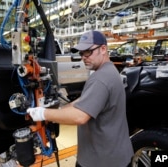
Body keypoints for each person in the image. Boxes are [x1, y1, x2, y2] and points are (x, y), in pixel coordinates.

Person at [27, 30, 134, 167]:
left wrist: (41, 113)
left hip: (102, 161)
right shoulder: (110, 70)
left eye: (88, 52)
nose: (83, 57)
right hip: (115, 154)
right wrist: (60, 110)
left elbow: (79, 117)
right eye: (81, 53)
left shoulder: (100, 79)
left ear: (103, 49)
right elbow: (82, 101)